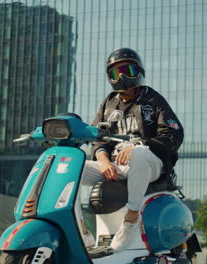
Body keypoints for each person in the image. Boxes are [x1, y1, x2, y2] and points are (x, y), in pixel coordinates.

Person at [81, 48, 184, 252]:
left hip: (151, 163)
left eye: (127, 69)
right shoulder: (109, 103)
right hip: (117, 165)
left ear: (138, 70)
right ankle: (82, 232)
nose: (122, 77)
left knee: (138, 154)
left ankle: (131, 218)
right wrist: (103, 160)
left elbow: (174, 134)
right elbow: (97, 139)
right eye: (116, 72)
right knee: (72, 168)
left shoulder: (152, 99)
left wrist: (140, 145)